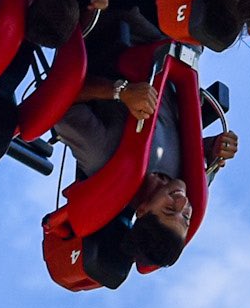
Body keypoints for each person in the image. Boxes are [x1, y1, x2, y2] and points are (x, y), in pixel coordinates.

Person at [50, 63, 239, 268]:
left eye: (168, 210)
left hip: (124, 40)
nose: (182, 202)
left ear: (142, 209)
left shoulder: (103, 157)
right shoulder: (188, 176)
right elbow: (203, 150)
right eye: (185, 216)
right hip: (180, 48)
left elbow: (56, 97)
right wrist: (217, 147)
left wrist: (119, 92)